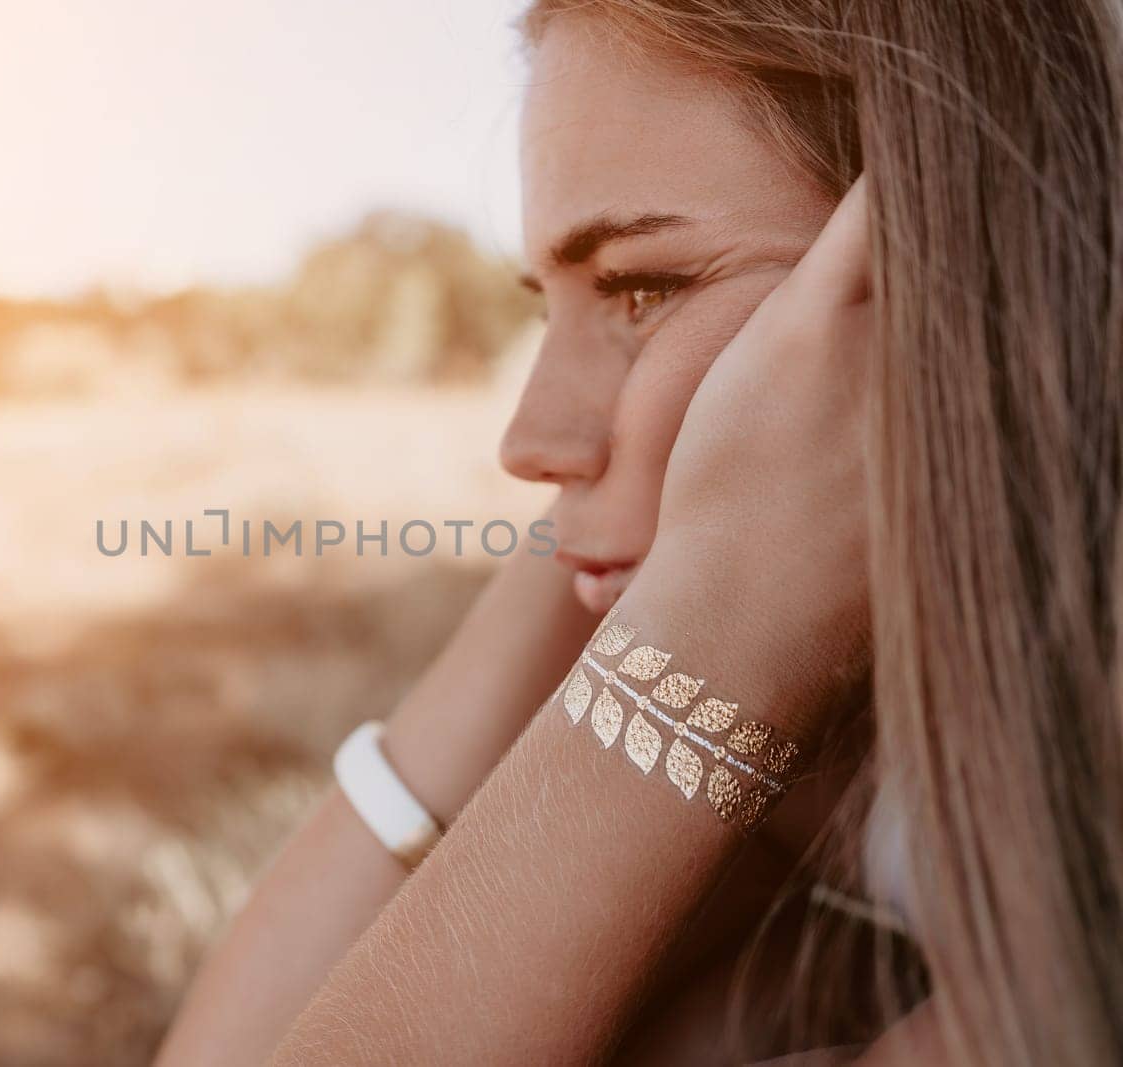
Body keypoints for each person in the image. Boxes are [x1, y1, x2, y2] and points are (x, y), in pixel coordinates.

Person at [159, 1, 1123, 1063]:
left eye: (641, 285)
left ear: (970, 270)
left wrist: (707, 642)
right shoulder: (854, 736)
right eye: (551, 307)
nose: (527, 441)